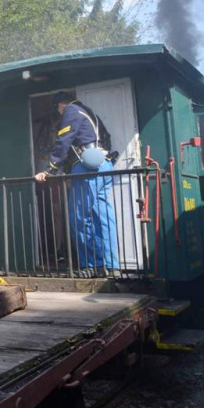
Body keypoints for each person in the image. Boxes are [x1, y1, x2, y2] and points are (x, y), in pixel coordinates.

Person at [34, 91, 120, 277]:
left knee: (79, 218)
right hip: (103, 166)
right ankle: (111, 264)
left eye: (58, 110)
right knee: (103, 217)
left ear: (61, 105)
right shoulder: (91, 114)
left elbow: (63, 141)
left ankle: (91, 265)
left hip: (86, 169)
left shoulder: (71, 110)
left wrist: (49, 169)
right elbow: (106, 138)